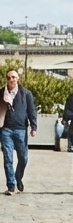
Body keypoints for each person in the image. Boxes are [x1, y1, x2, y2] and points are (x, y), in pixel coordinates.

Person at [1, 68, 37, 196]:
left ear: (18, 78)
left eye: (14, 77)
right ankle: (11, 186)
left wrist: (34, 126)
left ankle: (18, 177)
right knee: (8, 158)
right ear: (6, 79)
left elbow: (31, 111)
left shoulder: (26, 94)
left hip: (21, 129)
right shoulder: (1, 93)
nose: (11, 79)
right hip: (5, 129)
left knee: (23, 158)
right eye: (9, 77)